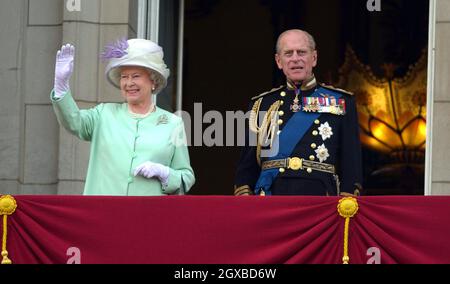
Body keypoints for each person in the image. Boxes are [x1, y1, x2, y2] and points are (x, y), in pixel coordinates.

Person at [51, 38, 195, 195]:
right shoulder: (103, 114)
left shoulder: (173, 124)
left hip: (147, 215)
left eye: (136, 76)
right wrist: (61, 87)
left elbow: (186, 178)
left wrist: (166, 174)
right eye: (124, 77)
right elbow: (74, 122)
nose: (128, 83)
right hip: (102, 214)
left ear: (153, 81)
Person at [234, 29, 362, 196]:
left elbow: (351, 161)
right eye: (288, 53)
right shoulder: (261, 104)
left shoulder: (340, 101)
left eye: (301, 52)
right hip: (272, 199)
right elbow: (247, 166)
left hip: (320, 199)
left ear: (314, 58)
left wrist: (347, 197)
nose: (295, 59)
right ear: (279, 61)